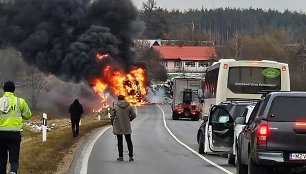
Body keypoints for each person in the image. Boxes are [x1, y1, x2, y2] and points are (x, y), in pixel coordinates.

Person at [0, 81, 32, 174]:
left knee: (1, 159)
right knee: (14, 159)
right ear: (14, 90)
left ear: (4, 89)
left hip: (1, 134)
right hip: (14, 134)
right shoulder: (20, 101)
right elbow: (28, 115)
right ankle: (13, 172)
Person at [111, 95, 136, 161]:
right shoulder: (129, 106)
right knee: (129, 141)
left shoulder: (115, 106)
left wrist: (113, 124)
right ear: (124, 99)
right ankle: (131, 156)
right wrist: (129, 119)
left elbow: (112, 116)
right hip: (127, 126)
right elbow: (134, 115)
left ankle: (121, 156)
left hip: (118, 126)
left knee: (119, 141)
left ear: (118, 99)